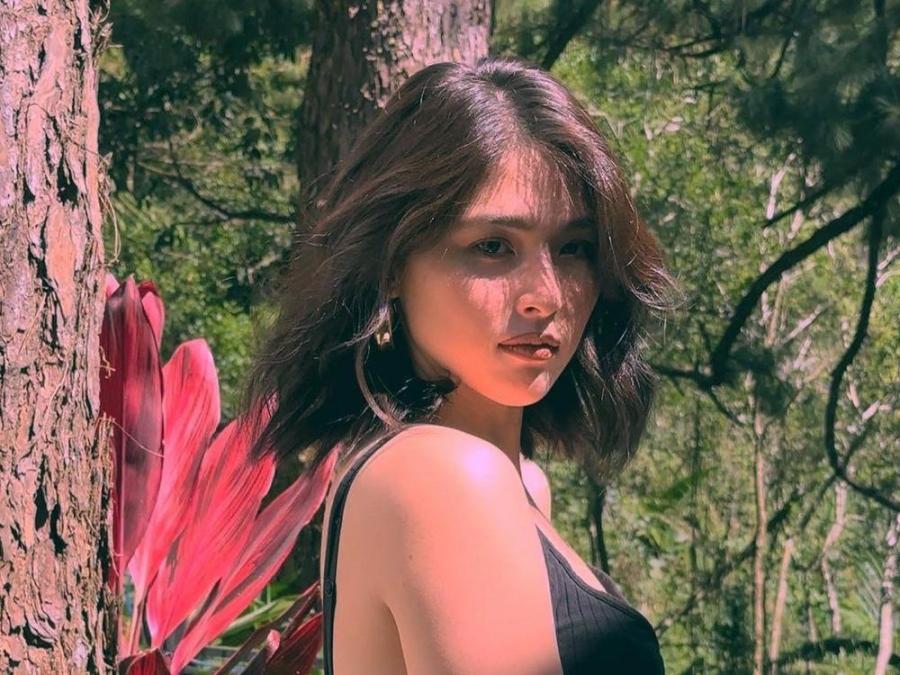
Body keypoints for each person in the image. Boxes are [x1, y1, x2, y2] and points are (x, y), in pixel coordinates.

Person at [241, 55, 681, 675]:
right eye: (493, 247)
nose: (546, 295)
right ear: (392, 266)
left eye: (574, 249)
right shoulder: (446, 476)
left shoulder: (513, 482)